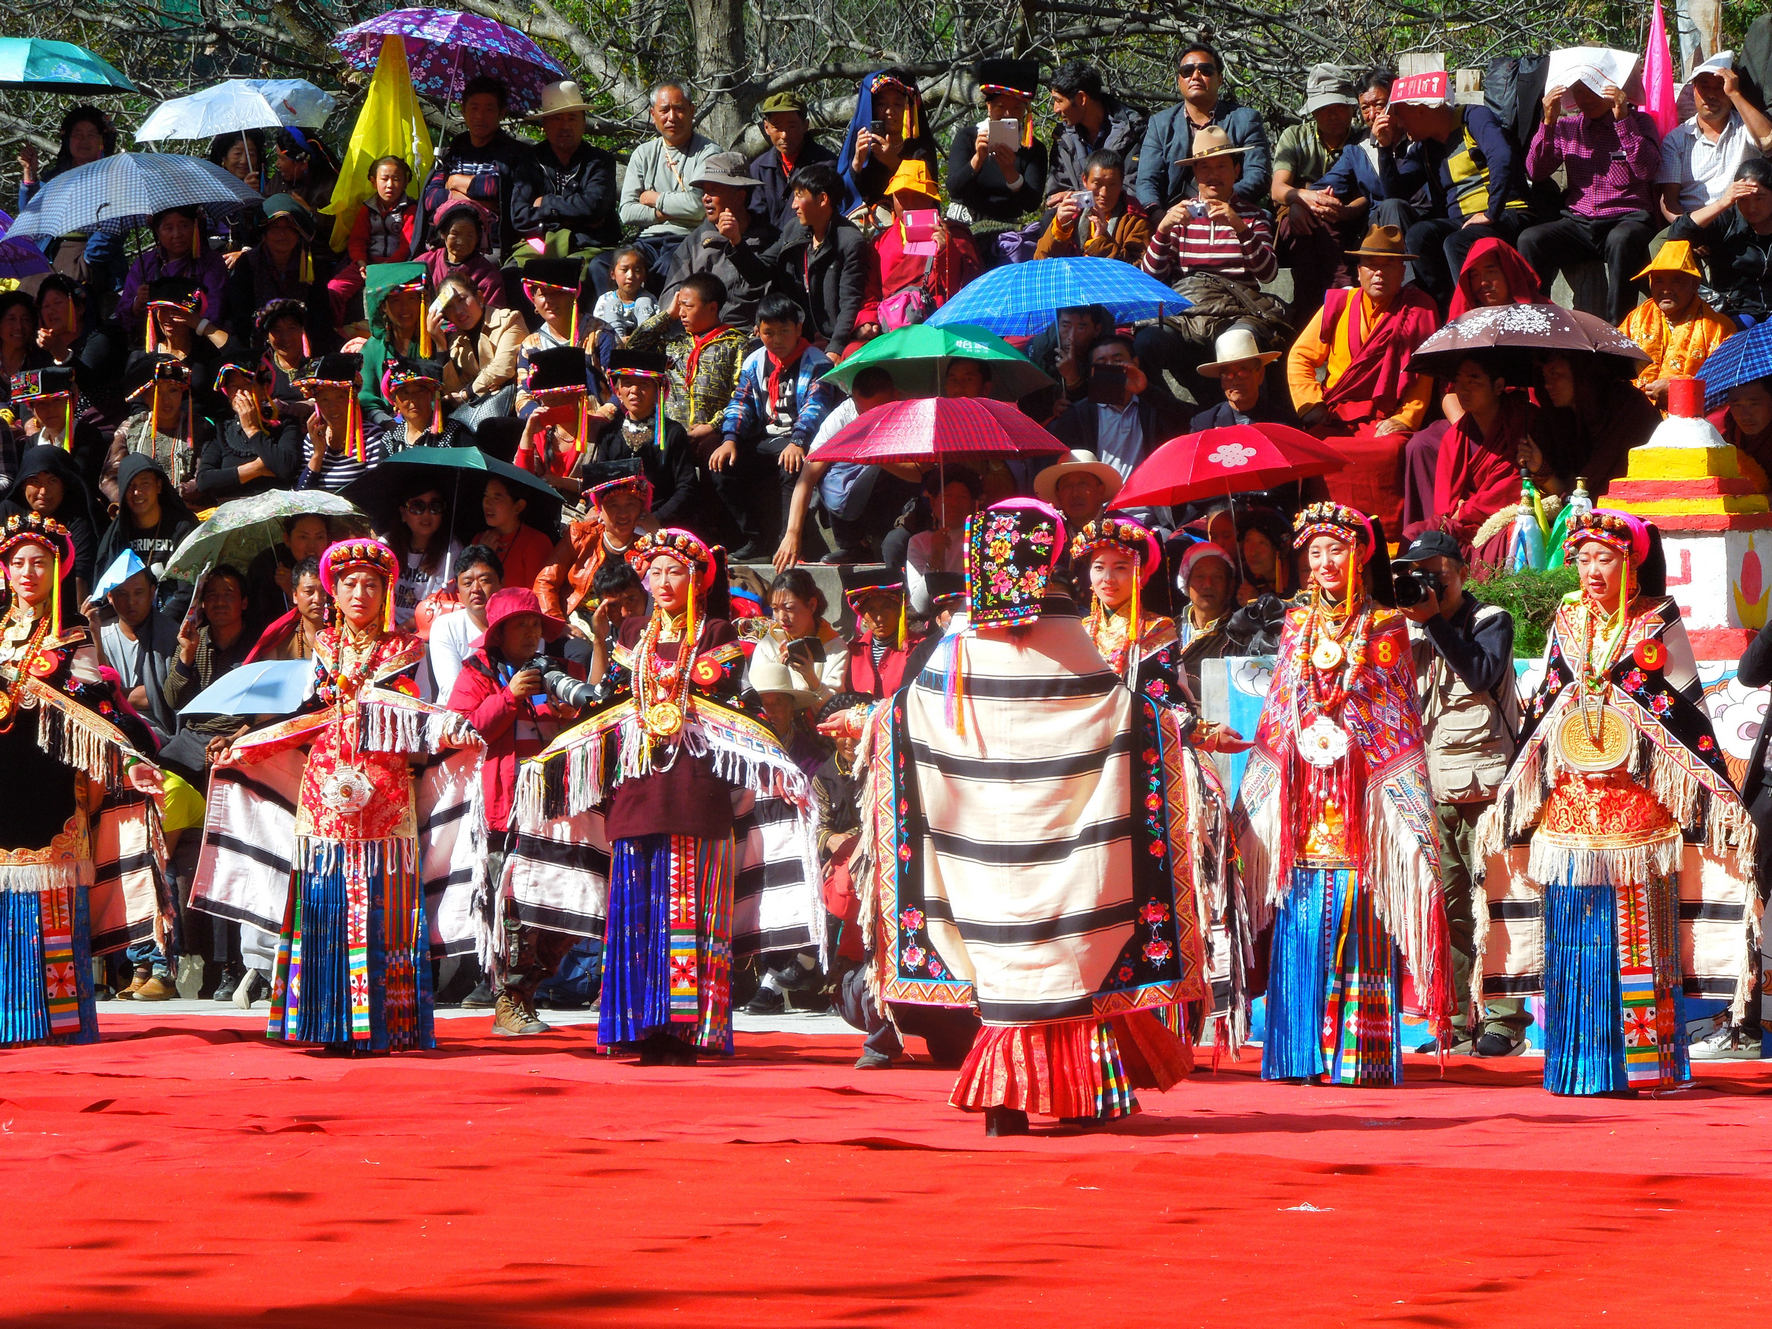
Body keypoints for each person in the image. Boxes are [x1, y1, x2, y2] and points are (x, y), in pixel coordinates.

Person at [843, 498, 1216, 1134]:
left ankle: (1005, 1100)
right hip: (1068, 830)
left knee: (1000, 952)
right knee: (1072, 950)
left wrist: (870, 720)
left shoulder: (960, 640)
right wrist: (1177, 727)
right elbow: (1125, 718)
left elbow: (907, 715)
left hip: (980, 840)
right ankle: (1079, 1092)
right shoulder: (1068, 636)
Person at [505, 528, 819, 1064]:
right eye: (656, 572)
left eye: (677, 571)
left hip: (697, 794)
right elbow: (609, 706)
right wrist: (564, 751)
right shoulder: (632, 632)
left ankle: (688, 1030)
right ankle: (637, 1026)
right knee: (637, 913)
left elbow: (739, 710)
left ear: (697, 579)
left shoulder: (717, 632)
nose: (665, 580)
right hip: (638, 791)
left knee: (693, 912)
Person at [1473, 510, 1755, 1095]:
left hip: (1638, 814)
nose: (1592, 570)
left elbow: (1683, 720)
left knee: (1635, 939)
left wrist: (1620, 704)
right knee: (1574, 939)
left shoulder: (1657, 621)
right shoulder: (1568, 618)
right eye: (1582, 559)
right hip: (1570, 812)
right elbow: (1545, 708)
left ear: (1631, 562)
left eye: (1605, 558)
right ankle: (1578, 1064)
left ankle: (1643, 1065)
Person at [199, 539, 480, 1052]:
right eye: (349, 583)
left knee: (381, 907)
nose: (359, 592)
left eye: (371, 584)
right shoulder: (322, 647)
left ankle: (385, 1025)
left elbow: (411, 712)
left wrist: (446, 728)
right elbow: (306, 717)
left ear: (387, 590)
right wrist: (248, 742)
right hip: (324, 789)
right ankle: (325, 1022)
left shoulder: (404, 649)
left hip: (384, 792)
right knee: (324, 906)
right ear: (333, 590)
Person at [1233, 501, 1450, 1086]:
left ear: (1361, 554)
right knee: (1303, 917)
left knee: (1359, 915)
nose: (1325, 562)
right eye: (1315, 553)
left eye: (1338, 550)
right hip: (1305, 794)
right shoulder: (1297, 626)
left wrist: (1349, 725)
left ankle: (1360, 1055)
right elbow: (1279, 706)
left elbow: (1396, 713)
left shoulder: (1385, 625)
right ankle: (1298, 1052)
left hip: (1362, 795)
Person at [0, 512, 166, 1044]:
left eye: (39, 563)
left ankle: (56, 1021)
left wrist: (128, 756)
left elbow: (102, 712)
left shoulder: (75, 638)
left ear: (56, 569)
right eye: (17, 562)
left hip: (52, 789)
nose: (28, 572)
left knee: (48, 899)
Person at [1391, 530, 1525, 1057]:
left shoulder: (1489, 619)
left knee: (1494, 901)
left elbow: (1480, 671)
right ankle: (1455, 1020)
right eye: (1415, 571)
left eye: (1434, 570)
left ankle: (1505, 1021)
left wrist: (1435, 624)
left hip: (1485, 786)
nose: (1424, 580)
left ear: (1456, 571)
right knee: (1445, 908)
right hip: (1429, 785)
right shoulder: (1407, 628)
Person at [446, 587, 579, 1034]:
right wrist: (507, 696)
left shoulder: (553, 674)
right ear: (498, 633)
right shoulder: (475, 673)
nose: (531, 632)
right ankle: (509, 1000)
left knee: (564, 904)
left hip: (554, 808)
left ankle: (528, 990)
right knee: (513, 910)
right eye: (520, 624)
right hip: (502, 810)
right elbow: (461, 731)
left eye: (536, 624)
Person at [1287, 224, 1440, 532]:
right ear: (1359, 271)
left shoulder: (1419, 309)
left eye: (1388, 265)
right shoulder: (1339, 305)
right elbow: (1299, 356)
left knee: (1391, 450)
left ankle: (1391, 539)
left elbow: (1423, 369)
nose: (1379, 273)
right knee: (1314, 450)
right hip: (1336, 418)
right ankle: (1326, 534)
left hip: (1385, 417)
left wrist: (1407, 418)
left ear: (1402, 271)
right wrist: (1311, 403)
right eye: (1371, 265)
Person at [1517, 73, 1661, 323]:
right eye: (1579, 92)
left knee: (1622, 239)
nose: (1586, 98)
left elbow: (1647, 169)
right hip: (1579, 222)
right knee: (1531, 239)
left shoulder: (1640, 122)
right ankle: (1535, 321)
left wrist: (1623, 121)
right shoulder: (1567, 127)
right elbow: (1535, 171)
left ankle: (1620, 327)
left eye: (1593, 90)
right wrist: (1548, 122)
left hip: (1627, 218)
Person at [1383, 71, 1527, 308]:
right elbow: (1395, 194)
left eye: (1400, 114)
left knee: (1457, 242)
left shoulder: (1474, 118)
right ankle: (1444, 314)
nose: (1399, 123)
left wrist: (1491, 213)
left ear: (1420, 109)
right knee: (1420, 235)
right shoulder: (1424, 148)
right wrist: (1385, 149)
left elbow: (1501, 156)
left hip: (1507, 213)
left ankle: (1473, 320)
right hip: (1463, 222)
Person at [712, 293, 834, 560]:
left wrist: (798, 441)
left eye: (784, 332)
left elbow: (816, 407)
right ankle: (756, 539)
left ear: (798, 329)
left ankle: (787, 541)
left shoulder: (817, 362)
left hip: (803, 439)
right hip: (766, 435)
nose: (777, 340)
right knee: (722, 467)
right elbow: (740, 401)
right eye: (769, 333)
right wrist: (729, 438)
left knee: (790, 464)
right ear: (758, 331)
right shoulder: (754, 361)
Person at [1422, 353, 1550, 563]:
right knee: (1417, 532)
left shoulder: (1523, 422)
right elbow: (1445, 506)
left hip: (1504, 519)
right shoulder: (1454, 437)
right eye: (1459, 381)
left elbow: (1514, 484)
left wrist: (1466, 509)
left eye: (1473, 380)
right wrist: (1458, 513)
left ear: (1499, 386)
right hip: (1462, 524)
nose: (1463, 389)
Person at [776, 363, 906, 568]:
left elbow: (919, 472)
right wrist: (792, 533)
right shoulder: (841, 416)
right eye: (862, 410)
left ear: (895, 396)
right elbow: (808, 477)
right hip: (856, 486)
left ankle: (881, 541)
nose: (868, 417)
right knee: (830, 469)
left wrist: (877, 458)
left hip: (899, 482)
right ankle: (852, 545)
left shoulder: (910, 411)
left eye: (877, 410)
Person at [1272, 64, 1372, 320]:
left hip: (1352, 220)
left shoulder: (1364, 139)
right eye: (1324, 109)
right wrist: (1304, 199)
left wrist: (1345, 211)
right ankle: (1321, 307)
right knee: (1308, 222)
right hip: (1298, 220)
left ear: (1351, 107)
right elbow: (1278, 189)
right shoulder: (1294, 136)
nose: (1332, 115)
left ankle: (1334, 309)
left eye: (1339, 107)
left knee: (1325, 224)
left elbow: (1369, 192)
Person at [1134, 41, 1272, 213]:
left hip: (1232, 213)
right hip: (1171, 216)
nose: (1196, 76)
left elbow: (1259, 176)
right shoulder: (1159, 124)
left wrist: (1218, 202)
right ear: (1179, 80)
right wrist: (1158, 216)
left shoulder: (1245, 120)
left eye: (1205, 70)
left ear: (1220, 79)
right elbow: (1146, 181)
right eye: (1187, 71)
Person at [626, 273, 747, 461]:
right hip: (671, 435)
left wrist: (712, 426)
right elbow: (634, 347)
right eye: (679, 305)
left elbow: (742, 394)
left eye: (688, 306)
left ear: (712, 307)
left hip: (715, 435)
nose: (681, 313)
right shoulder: (674, 343)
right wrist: (668, 315)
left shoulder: (735, 343)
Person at [1139, 126, 1278, 290]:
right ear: (1195, 173)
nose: (1213, 175)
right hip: (1189, 310)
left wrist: (1240, 227)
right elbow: (1151, 275)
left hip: (1238, 311)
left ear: (1236, 170)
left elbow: (1268, 275)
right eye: (1205, 167)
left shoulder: (1254, 216)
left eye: (1221, 166)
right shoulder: (1179, 216)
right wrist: (1163, 229)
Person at [611, 83, 719, 290]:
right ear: (653, 114)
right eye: (664, 110)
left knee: (666, 268)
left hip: (689, 238)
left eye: (679, 109)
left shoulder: (709, 153)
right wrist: (663, 214)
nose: (671, 117)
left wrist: (654, 198)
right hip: (647, 240)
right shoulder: (643, 154)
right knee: (603, 266)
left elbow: (697, 207)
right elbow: (626, 211)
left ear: (691, 111)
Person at [578, 349, 699, 527]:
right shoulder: (609, 434)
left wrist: (657, 518)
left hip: (659, 522)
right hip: (614, 521)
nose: (634, 390)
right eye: (627, 383)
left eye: (644, 384)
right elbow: (598, 483)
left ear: (659, 391)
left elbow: (686, 487)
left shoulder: (673, 433)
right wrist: (594, 507)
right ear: (618, 392)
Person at [660, 154, 779, 328]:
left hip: (758, 339)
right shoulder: (693, 244)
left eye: (714, 191)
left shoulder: (770, 239)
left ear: (740, 196)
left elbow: (781, 296)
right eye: (704, 191)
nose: (705, 198)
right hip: (704, 339)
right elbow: (671, 302)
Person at [772, 162, 878, 354]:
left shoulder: (850, 241)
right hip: (796, 335)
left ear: (822, 199)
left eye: (799, 196)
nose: (793, 205)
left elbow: (850, 301)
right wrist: (737, 244)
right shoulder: (793, 230)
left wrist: (835, 348)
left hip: (833, 338)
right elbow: (764, 269)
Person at [421, 76, 529, 261]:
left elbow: (501, 190)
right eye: (474, 108)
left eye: (489, 109)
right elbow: (431, 198)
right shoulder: (453, 151)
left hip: (490, 247)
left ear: (501, 113)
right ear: (463, 110)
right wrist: (479, 203)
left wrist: (455, 182)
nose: (480, 116)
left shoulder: (514, 153)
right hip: (444, 242)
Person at [1049, 335, 1187, 481]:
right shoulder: (1078, 415)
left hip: (1150, 498)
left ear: (1135, 363)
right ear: (1092, 371)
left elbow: (1189, 421)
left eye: (1118, 360)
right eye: (1102, 362)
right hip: (1101, 501)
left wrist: (1146, 391)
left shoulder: (1153, 406)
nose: (1110, 366)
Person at [1618, 241, 1735, 408]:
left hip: (1688, 421)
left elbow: (1723, 385)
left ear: (1694, 284)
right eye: (1659, 280)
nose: (1666, 289)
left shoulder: (1719, 328)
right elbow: (1615, 367)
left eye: (1676, 281)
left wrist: (1678, 390)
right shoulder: (1636, 318)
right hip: (1635, 415)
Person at [511, 80, 620, 259]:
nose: (565, 126)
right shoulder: (529, 161)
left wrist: (546, 203)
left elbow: (594, 208)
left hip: (591, 247)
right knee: (511, 274)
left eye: (572, 118)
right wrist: (571, 218)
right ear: (544, 124)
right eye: (557, 119)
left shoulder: (600, 161)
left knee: (595, 272)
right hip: (538, 246)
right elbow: (519, 217)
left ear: (584, 122)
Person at [1657, 55, 1772, 222]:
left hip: (1741, 224)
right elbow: (1669, 202)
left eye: (1720, 87)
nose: (1711, 95)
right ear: (1694, 89)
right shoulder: (1675, 140)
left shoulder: (1745, 126)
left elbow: (1768, 141)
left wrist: (1734, 94)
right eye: (1704, 86)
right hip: (1695, 222)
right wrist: (1688, 230)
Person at [535, 474, 652, 629]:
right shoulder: (580, 535)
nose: (623, 513)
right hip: (577, 623)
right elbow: (545, 582)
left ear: (641, 510)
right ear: (600, 510)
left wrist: (656, 531)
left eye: (630, 504)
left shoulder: (648, 547)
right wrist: (558, 626)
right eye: (613, 505)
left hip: (626, 627)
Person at [871, 160, 980, 325]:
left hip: (939, 321)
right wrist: (868, 321)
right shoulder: (880, 243)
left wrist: (947, 251)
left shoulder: (956, 235)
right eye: (901, 196)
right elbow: (868, 293)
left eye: (917, 196)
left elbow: (972, 290)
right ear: (892, 199)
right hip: (892, 324)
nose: (909, 203)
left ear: (930, 199)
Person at [219, 195, 333, 352]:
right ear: (264, 234)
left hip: (304, 344)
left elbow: (320, 315)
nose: (282, 235)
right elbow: (240, 315)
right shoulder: (248, 264)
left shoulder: (312, 265)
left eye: (289, 228)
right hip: (258, 342)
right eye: (275, 228)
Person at [945, 57, 1048, 227]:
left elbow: (1031, 204)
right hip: (962, 225)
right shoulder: (968, 137)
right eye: (1000, 107)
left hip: (1006, 230)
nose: (1008, 113)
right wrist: (977, 159)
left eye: (1016, 108)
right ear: (989, 107)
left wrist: (1010, 173)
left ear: (1025, 110)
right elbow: (954, 189)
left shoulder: (1033, 149)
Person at [1670, 157, 1772, 324]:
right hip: (1737, 311)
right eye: (1743, 199)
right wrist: (1723, 202)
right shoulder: (1727, 219)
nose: (1752, 207)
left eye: (1759, 198)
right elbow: (1677, 233)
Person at [2, 443, 100, 605]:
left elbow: (80, 574)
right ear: (23, 483)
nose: (43, 491)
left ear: (64, 485)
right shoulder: (7, 512)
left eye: (52, 481)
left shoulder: (78, 517)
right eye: (35, 481)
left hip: (62, 606)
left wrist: (78, 619)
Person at [837, 69, 943, 217]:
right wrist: (856, 164)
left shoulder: (918, 148)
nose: (889, 111)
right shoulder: (861, 143)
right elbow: (841, 198)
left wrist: (894, 163)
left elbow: (924, 195)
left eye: (898, 104)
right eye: (882, 104)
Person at [118, 207, 230, 342]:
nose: (177, 234)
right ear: (157, 231)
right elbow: (123, 314)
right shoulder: (145, 264)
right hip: (154, 345)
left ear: (195, 226)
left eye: (184, 225)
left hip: (200, 343)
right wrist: (137, 303)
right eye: (168, 228)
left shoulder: (211, 262)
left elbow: (215, 310)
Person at [106, 356, 206, 507]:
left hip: (187, 510)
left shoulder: (199, 427)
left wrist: (169, 496)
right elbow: (109, 477)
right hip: (139, 509)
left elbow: (204, 476)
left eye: (173, 390)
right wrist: (130, 498)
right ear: (145, 395)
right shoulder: (131, 427)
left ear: (181, 392)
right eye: (157, 392)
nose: (166, 400)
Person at [198, 362, 302, 504]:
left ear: (264, 388)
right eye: (233, 387)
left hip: (273, 508)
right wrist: (256, 469)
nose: (240, 393)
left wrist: (252, 429)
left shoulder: (284, 425)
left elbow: (286, 468)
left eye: (246, 385)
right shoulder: (221, 429)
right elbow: (204, 481)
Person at [331, 156, 417, 325]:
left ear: (406, 182)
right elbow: (357, 240)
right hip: (367, 264)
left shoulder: (410, 209)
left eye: (396, 179)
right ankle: (338, 328)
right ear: (373, 181)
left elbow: (406, 246)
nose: (390, 185)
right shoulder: (367, 209)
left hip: (396, 266)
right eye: (384, 179)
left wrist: (384, 269)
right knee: (335, 288)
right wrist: (361, 262)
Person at [432, 274, 525, 428]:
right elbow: (453, 390)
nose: (458, 310)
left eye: (462, 299)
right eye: (449, 306)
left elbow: (502, 369)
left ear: (480, 297)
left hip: (512, 412)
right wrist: (441, 346)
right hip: (476, 417)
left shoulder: (510, 320)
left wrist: (466, 393)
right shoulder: (456, 341)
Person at [1046, 60, 1146, 199]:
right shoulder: (1063, 138)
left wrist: (1079, 198)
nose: (1055, 109)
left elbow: (1134, 191)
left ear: (1081, 98)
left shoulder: (1133, 131)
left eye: (1059, 101)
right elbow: (1054, 196)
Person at [1033, 148, 1150, 263]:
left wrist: (1101, 242)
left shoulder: (1134, 220)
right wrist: (1059, 228)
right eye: (1097, 184)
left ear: (1121, 183)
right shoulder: (1071, 212)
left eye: (1112, 184)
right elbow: (1039, 261)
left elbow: (1138, 267)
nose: (1104, 193)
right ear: (1085, 180)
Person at [95, 454, 196, 584]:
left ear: (158, 486)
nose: (137, 492)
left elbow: (187, 589)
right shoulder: (118, 534)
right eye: (130, 485)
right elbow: (107, 586)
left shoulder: (183, 528)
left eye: (145, 483)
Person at [293, 353, 385, 493]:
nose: (333, 407)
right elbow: (302, 495)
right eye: (324, 400)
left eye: (340, 398)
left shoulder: (372, 437)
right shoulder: (312, 439)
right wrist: (318, 453)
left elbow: (375, 493)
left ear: (352, 398)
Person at [747, 92, 838, 232]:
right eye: (777, 127)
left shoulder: (825, 165)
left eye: (792, 126)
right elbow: (756, 218)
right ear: (766, 128)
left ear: (805, 125)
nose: (784, 135)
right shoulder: (758, 168)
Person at [838, 566, 929, 698]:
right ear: (862, 615)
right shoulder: (852, 650)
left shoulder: (920, 648)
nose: (879, 618)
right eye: (871, 610)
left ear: (900, 610)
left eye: (887, 607)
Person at [426, 545, 502, 701]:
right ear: (458, 589)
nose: (476, 589)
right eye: (467, 583)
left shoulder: (518, 625)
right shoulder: (445, 626)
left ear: (501, 583)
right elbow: (451, 690)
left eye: (485, 581)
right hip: (460, 715)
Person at [357, 263, 429, 426]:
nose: (405, 308)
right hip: (387, 428)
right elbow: (365, 398)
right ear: (383, 306)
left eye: (411, 298)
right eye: (396, 300)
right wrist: (388, 424)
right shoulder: (373, 348)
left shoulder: (435, 342)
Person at [904, 467, 981, 616]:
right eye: (947, 496)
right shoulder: (918, 542)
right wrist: (935, 558)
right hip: (935, 622)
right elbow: (919, 606)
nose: (954, 503)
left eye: (962, 497)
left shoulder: (981, 538)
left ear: (973, 504)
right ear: (933, 502)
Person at [386, 482, 460, 631]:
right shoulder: (386, 545)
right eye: (417, 506)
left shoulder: (451, 550)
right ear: (403, 513)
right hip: (387, 625)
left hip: (427, 630)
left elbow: (439, 604)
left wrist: (402, 630)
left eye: (435, 507)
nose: (427, 514)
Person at [1191, 326, 1287, 429]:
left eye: (1243, 372)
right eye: (1227, 374)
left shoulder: (1282, 423)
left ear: (1260, 374)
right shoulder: (1204, 424)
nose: (1235, 381)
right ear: (1222, 381)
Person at [422, 199, 507, 313]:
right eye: (455, 234)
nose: (461, 241)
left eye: (470, 235)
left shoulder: (488, 278)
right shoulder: (425, 263)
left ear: (478, 238)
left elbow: (493, 318)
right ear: (443, 234)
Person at [473, 475, 551, 596]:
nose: (487, 502)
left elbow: (536, 597)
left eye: (496, 498)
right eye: (486, 495)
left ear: (518, 506)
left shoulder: (537, 542)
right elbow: (466, 588)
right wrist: (481, 555)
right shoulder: (480, 539)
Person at [375, 357, 470, 453]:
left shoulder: (455, 433)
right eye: (405, 393)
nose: (413, 400)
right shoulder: (391, 440)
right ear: (395, 401)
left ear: (432, 395)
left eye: (420, 391)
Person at [246, 554, 325, 664]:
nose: (317, 599)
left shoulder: (342, 634)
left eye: (323, 592)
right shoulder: (280, 642)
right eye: (309, 592)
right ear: (295, 595)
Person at [1033, 448, 1123, 536]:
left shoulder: (1121, 530)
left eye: (1083, 484)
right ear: (1058, 494)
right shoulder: (1050, 533)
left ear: (1100, 490)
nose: (1075, 493)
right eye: (1067, 486)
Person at [591, 246, 658, 342]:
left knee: (644, 301)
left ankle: (642, 339)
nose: (630, 276)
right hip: (613, 347)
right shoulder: (605, 300)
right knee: (612, 303)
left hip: (642, 348)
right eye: (624, 270)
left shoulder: (650, 299)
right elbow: (597, 328)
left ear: (644, 276)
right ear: (613, 274)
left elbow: (658, 325)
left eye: (637, 270)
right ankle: (616, 340)